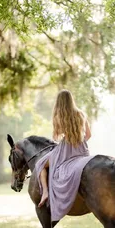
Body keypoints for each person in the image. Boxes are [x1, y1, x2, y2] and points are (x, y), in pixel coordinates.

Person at [36, 89, 92, 220]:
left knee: (40, 164)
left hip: (66, 150)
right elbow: (89, 135)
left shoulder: (58, 117)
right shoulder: (81, 114)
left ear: (59, 102)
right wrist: (79, 142)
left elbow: (55, 137)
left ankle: (45, 192)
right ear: (71, 100)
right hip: (82, 149)